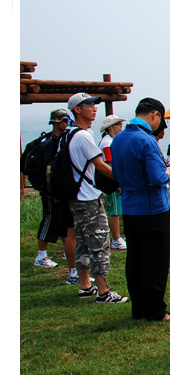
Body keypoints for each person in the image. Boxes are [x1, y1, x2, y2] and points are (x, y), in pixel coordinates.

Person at [110, 97, 170, 322]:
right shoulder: (146, 140)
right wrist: (167, 172)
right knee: (156, 262)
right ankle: (156, 311)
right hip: (153, 209)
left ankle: (139, 309)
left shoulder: (118, 139)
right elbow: (155, 177)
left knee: (136, 260)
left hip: (130, 208)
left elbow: (117, 174)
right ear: (155, 115)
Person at [65, 92, 128, 304]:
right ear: (77, 109)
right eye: (89, 105)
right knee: (99, 243)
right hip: (88, 197)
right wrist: (124, 179)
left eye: (94, 104)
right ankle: (104, 291)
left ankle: (85, 285)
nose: (94, 108)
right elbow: (100, 166)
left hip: (75, 197)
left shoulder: (69, 134)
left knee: (83, 241)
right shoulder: (83, 136)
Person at [32, 109, 80, 284]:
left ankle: (64, 253)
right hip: (50, 191)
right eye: (65, 122)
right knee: (49, 219)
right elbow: (48, 170)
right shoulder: (49, 143)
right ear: (58, 122)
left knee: (64, 224)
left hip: (59, 191)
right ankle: (41, 255)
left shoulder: (61, 141)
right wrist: (52, 192)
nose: (67, 125)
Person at [98, 114, 127, 250]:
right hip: (111, 181)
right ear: (110, 127)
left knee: (118, 208)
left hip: (115, 179)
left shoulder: (111, 141)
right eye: (118, 124)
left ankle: (118, 236)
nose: (121, 127)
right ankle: (116, 238)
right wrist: (119, 182)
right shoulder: (107, 143)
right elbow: (110, 162)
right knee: (114, 209)